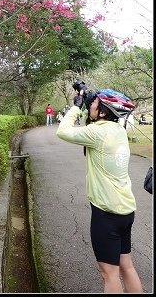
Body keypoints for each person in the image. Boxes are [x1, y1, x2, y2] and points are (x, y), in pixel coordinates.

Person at [56, 85, 143, 294]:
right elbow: (95, 116)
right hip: (126, 211)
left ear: (103, 111)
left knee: (108, 273)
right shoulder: (118, 131)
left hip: (107, 213)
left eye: (92, 104)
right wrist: (89, 96)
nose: (89, 107)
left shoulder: (97, 132)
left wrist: (76, 107)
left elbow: (63, 131)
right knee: (126, 266)